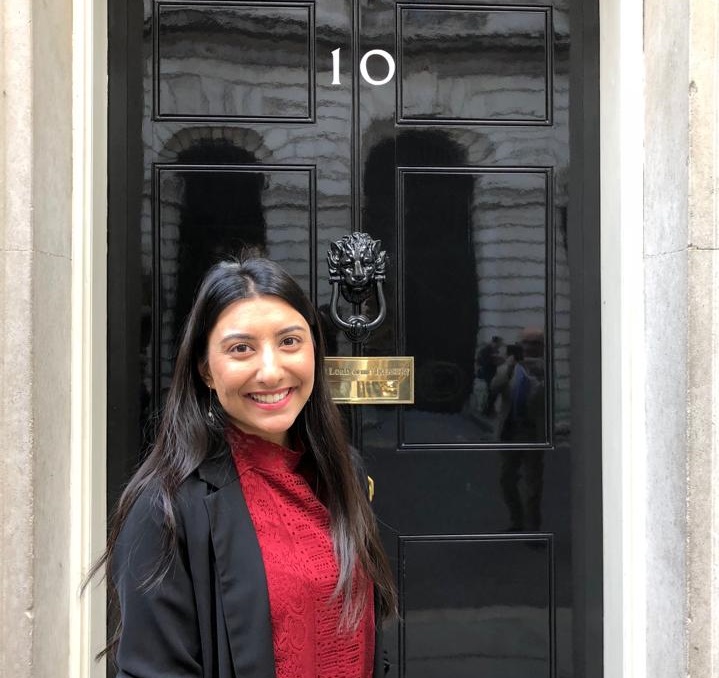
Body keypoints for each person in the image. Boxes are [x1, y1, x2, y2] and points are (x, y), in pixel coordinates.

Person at [88, 256, 396, 678]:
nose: (271, 371)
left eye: (290, 342)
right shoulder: (163, 509)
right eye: (241, 348)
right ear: (206, 370)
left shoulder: (343, 474)